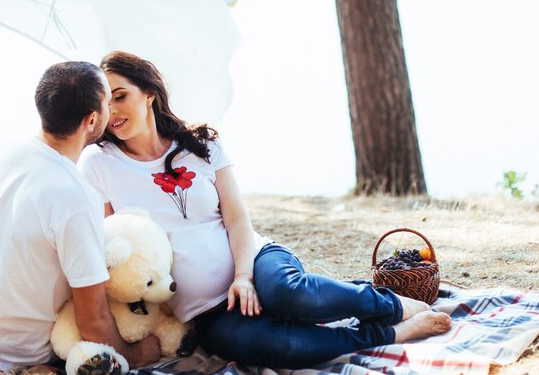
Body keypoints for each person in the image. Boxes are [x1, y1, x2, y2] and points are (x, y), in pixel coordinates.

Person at [77, 51, 453, 369]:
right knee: (283, 349)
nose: (112, 112)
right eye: (104, 104)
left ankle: (392, 305)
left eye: (121, 96)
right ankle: (387, 334)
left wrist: (243, 276)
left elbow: (237, 217)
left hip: (256, 261)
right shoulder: (97, 162)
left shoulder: (200, 143)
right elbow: (117, 242)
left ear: (149, 95)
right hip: (207, 311)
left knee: (291, 296)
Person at [0, 61, 161, 373]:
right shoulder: (75, 196)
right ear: (92, 120)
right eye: (107, 103)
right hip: (20, 355)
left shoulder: (2, 157)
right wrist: (134, 355)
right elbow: (93, 321)